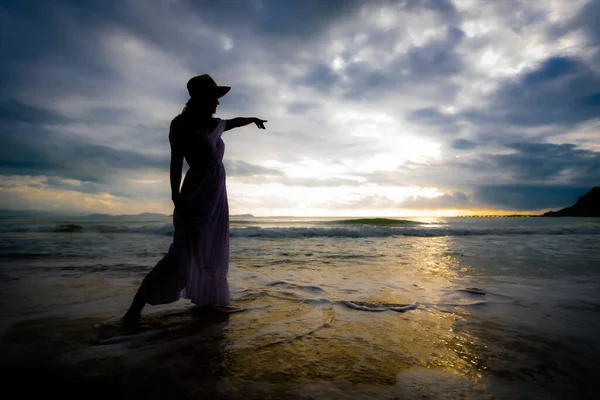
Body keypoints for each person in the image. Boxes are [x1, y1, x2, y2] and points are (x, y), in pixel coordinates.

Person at [123, 74, 267, 324]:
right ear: (200, 98)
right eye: (214, 97)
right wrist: (174, 194)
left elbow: (232, 122)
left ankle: (207, 305)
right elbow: (176, 160)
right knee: (182, 254)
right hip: (196, 195)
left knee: (209, 251)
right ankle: (133, 312)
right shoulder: (181, 124)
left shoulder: (215, 124)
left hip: (215, 198)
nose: (218, 103)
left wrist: (253, 119)